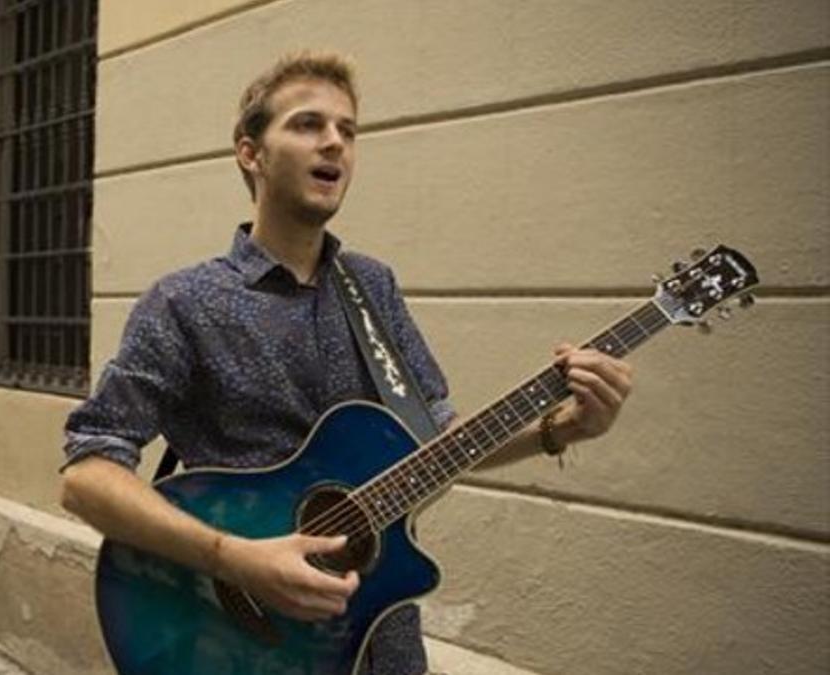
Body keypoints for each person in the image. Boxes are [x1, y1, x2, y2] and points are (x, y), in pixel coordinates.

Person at [60, 51, 634, 675]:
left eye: (348, 130)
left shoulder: (373, 287)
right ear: (250, 153)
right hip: (234, 638)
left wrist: (562, 428)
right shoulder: (184, 301)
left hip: (378, 632)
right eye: (308, 124)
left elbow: (439, 440)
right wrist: (235, 558)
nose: (334, 142)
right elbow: (86, 476)